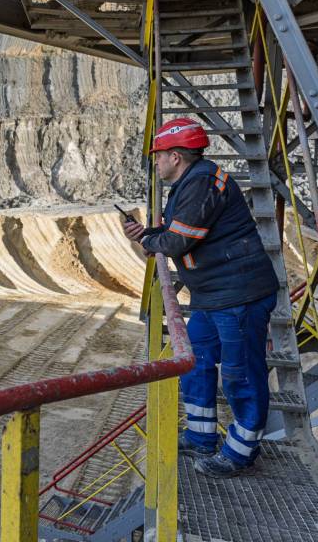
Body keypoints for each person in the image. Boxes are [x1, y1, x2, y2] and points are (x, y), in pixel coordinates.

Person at [122, 117, 279, 478]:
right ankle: (201, 435)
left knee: (241, 374)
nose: (156, 163)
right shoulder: (193, 181)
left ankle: (240, 453)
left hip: (238, 296)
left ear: (175, 157)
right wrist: (149, 234)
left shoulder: (202, 182)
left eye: (158, 156)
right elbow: (178, 231)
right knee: (195, 361)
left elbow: (179, 241)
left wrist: (149, 240)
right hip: (216, 295)